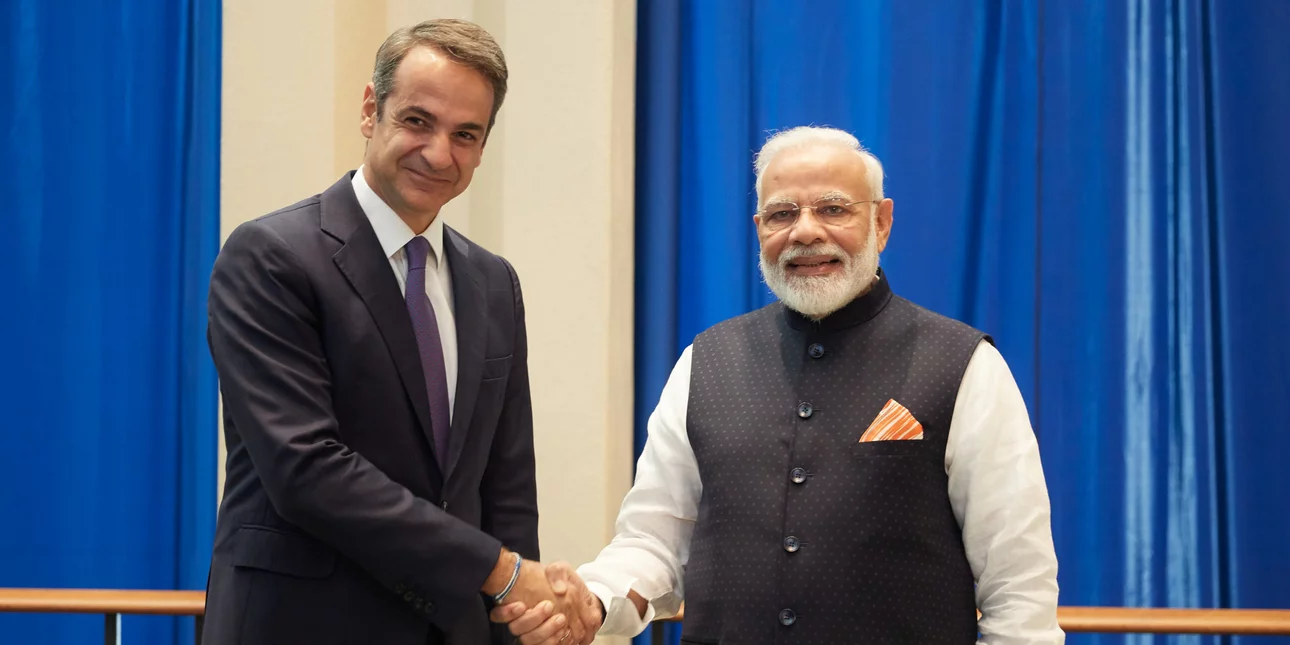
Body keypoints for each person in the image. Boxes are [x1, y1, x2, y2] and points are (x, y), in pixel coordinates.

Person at [497, 126, 1065, 644]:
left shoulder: (965, 365)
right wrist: (595, 601)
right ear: (759, 230)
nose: (806, 231)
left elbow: (1019, 587)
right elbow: (654, 541)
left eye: (834, 209)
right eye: (782, 213)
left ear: (882, 223)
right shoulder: (704, 361)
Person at [203, 19, 594, 645]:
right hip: (302, 625)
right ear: (370, 110)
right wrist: (500, 571)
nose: (439, 153)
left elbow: (507, 484)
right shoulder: (271, 257)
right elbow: (306, 469)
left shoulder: (494, 282)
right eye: (417, 121)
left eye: (465, 134)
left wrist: (521, 616)